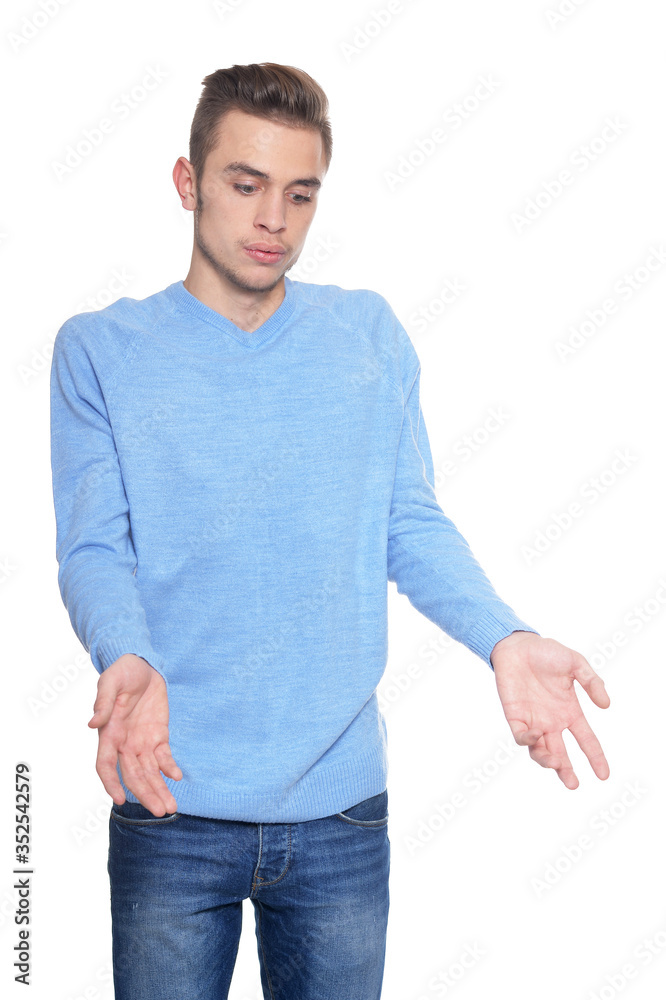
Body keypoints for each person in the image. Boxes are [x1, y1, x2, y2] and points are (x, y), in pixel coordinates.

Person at [49, 62, 611, 1000]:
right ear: (188, 184)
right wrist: (125, 653)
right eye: (245, 183)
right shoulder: (102, 350)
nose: (274, 218)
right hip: (169, 799)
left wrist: (503, 638)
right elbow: (94, 547)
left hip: (340, 816)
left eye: (299, 193)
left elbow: (408, 521)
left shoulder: (368, 335)